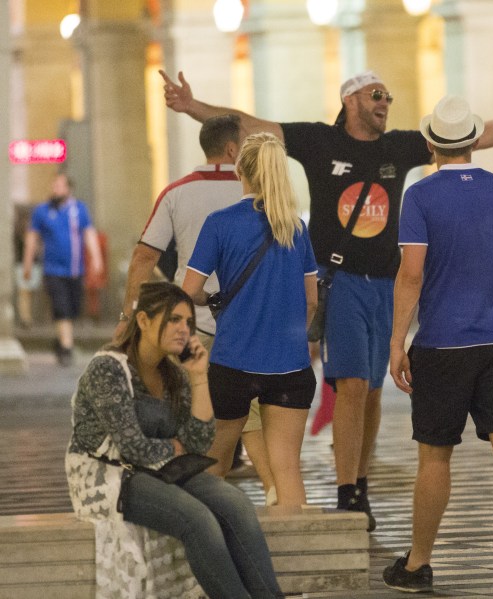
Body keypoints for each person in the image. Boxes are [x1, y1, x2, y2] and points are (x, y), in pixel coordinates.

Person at [160, 69, 493, 529]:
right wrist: (193, 106)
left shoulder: (399, 146)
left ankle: (359, 481)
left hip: (385, 283)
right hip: (341, 280)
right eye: (376, 95)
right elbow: (250, 125)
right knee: (351, 387)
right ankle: (348, 489)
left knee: (373, 391)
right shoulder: (319, 141)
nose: (385, 102)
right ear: (350, 100)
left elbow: (476, 137)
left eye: (388, 95)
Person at [385, 96, 493, 596]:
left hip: (442, 344)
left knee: (435, 456)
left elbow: (411, 274)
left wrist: (398, 342)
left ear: (432, 144)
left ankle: (417, 565)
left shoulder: (420, 195)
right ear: (475, 141)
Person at [65, 281, 282, 598]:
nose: (184, 329)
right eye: (173, 320)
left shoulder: (174, 374)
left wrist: (198, 377)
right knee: (198, 519)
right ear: (143, 321)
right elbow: (131, 447)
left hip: (160, 468)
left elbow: (198, 443)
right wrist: (173, 447)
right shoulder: (107, 369)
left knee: (236, 503)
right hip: (107, 475)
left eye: (188, 322)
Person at [115, 114, 276, 505]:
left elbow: (142, 257)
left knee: (203, 413)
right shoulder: (263, 195)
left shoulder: (177, 192)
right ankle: (274, 487)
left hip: (198, 322)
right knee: (254, 414)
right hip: (255, 325)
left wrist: (128, 318)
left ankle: (201, 490)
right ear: (234, 150)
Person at [182, 132, 319, 507]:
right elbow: (311, 301)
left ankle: (212, 544)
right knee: (287, 467)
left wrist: (212, 299)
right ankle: (294, 558)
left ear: (239, 169)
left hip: (233, 360)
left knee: (217, 461)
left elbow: (189, 289)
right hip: (290, 365)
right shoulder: (296, 228)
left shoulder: (221, 222)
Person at [22, 174, 104, 365]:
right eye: (54, 185)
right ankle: (67, 347)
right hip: (52, 270)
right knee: (61, 306)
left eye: (59, 185)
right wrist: (28, 263)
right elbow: (32, 238)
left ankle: (60, 341)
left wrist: (97, 259)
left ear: (69, 188)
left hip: (75, 270)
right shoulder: (42, 211)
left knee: (73, 308)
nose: (55, 189)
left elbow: (89, 234)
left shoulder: (79, 210)